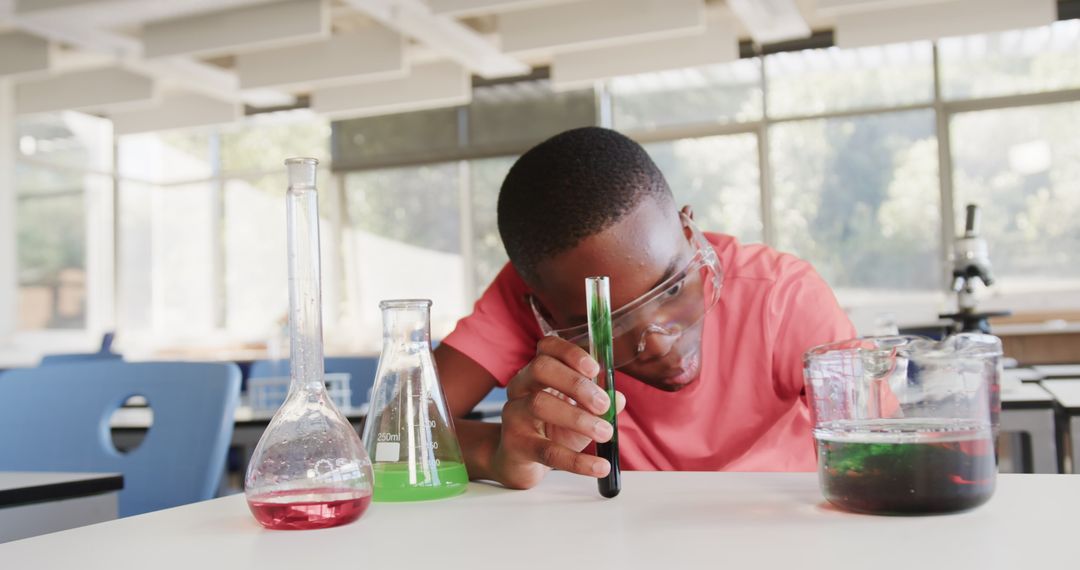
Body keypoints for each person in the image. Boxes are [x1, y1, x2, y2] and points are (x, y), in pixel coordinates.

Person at [435, 127, 855, 490]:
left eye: (672, 288)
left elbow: (875, 447)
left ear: (689, 231)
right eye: (607, 323)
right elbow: (395, 428)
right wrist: (499, 454)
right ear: (542, 312)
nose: (657, 342)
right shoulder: (529, 293)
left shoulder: (782, 298)